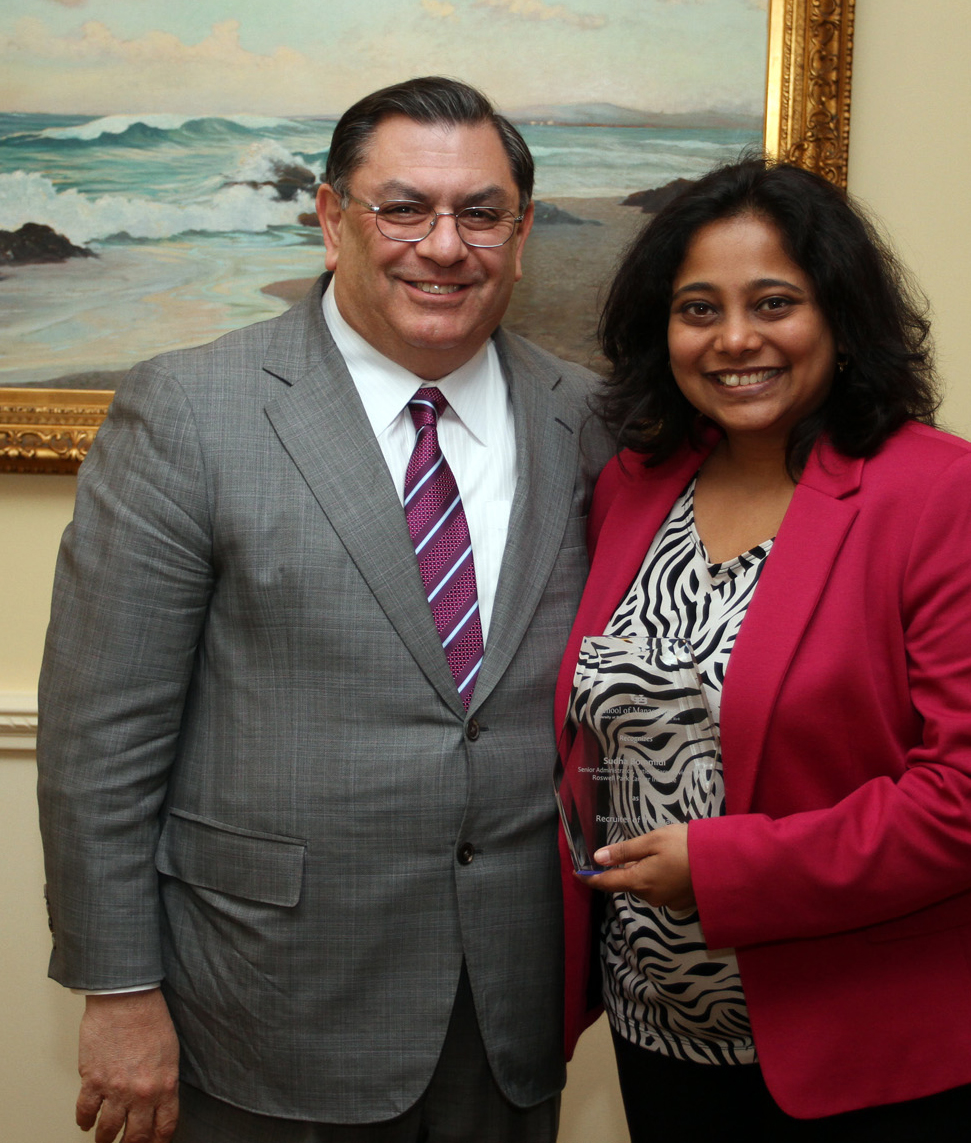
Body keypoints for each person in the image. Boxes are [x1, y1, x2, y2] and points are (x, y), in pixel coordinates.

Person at [38, 76, 610, 1143]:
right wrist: (118, 991)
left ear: (522, 233)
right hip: (265, 1001)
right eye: (403, 208)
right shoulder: (188, 410)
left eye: (480, 214)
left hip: (511, 1005)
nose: (444, 246)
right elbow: (101, 736)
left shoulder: (588, 418)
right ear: (331, 216)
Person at [553, 159, 971, 1141]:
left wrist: (721, 868)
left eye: (773, 303)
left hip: (886, 1037)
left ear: (838, 315)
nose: (733, 338)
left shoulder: (944, 493)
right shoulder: (634, 484)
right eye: (697, 309)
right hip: (661, 1025)